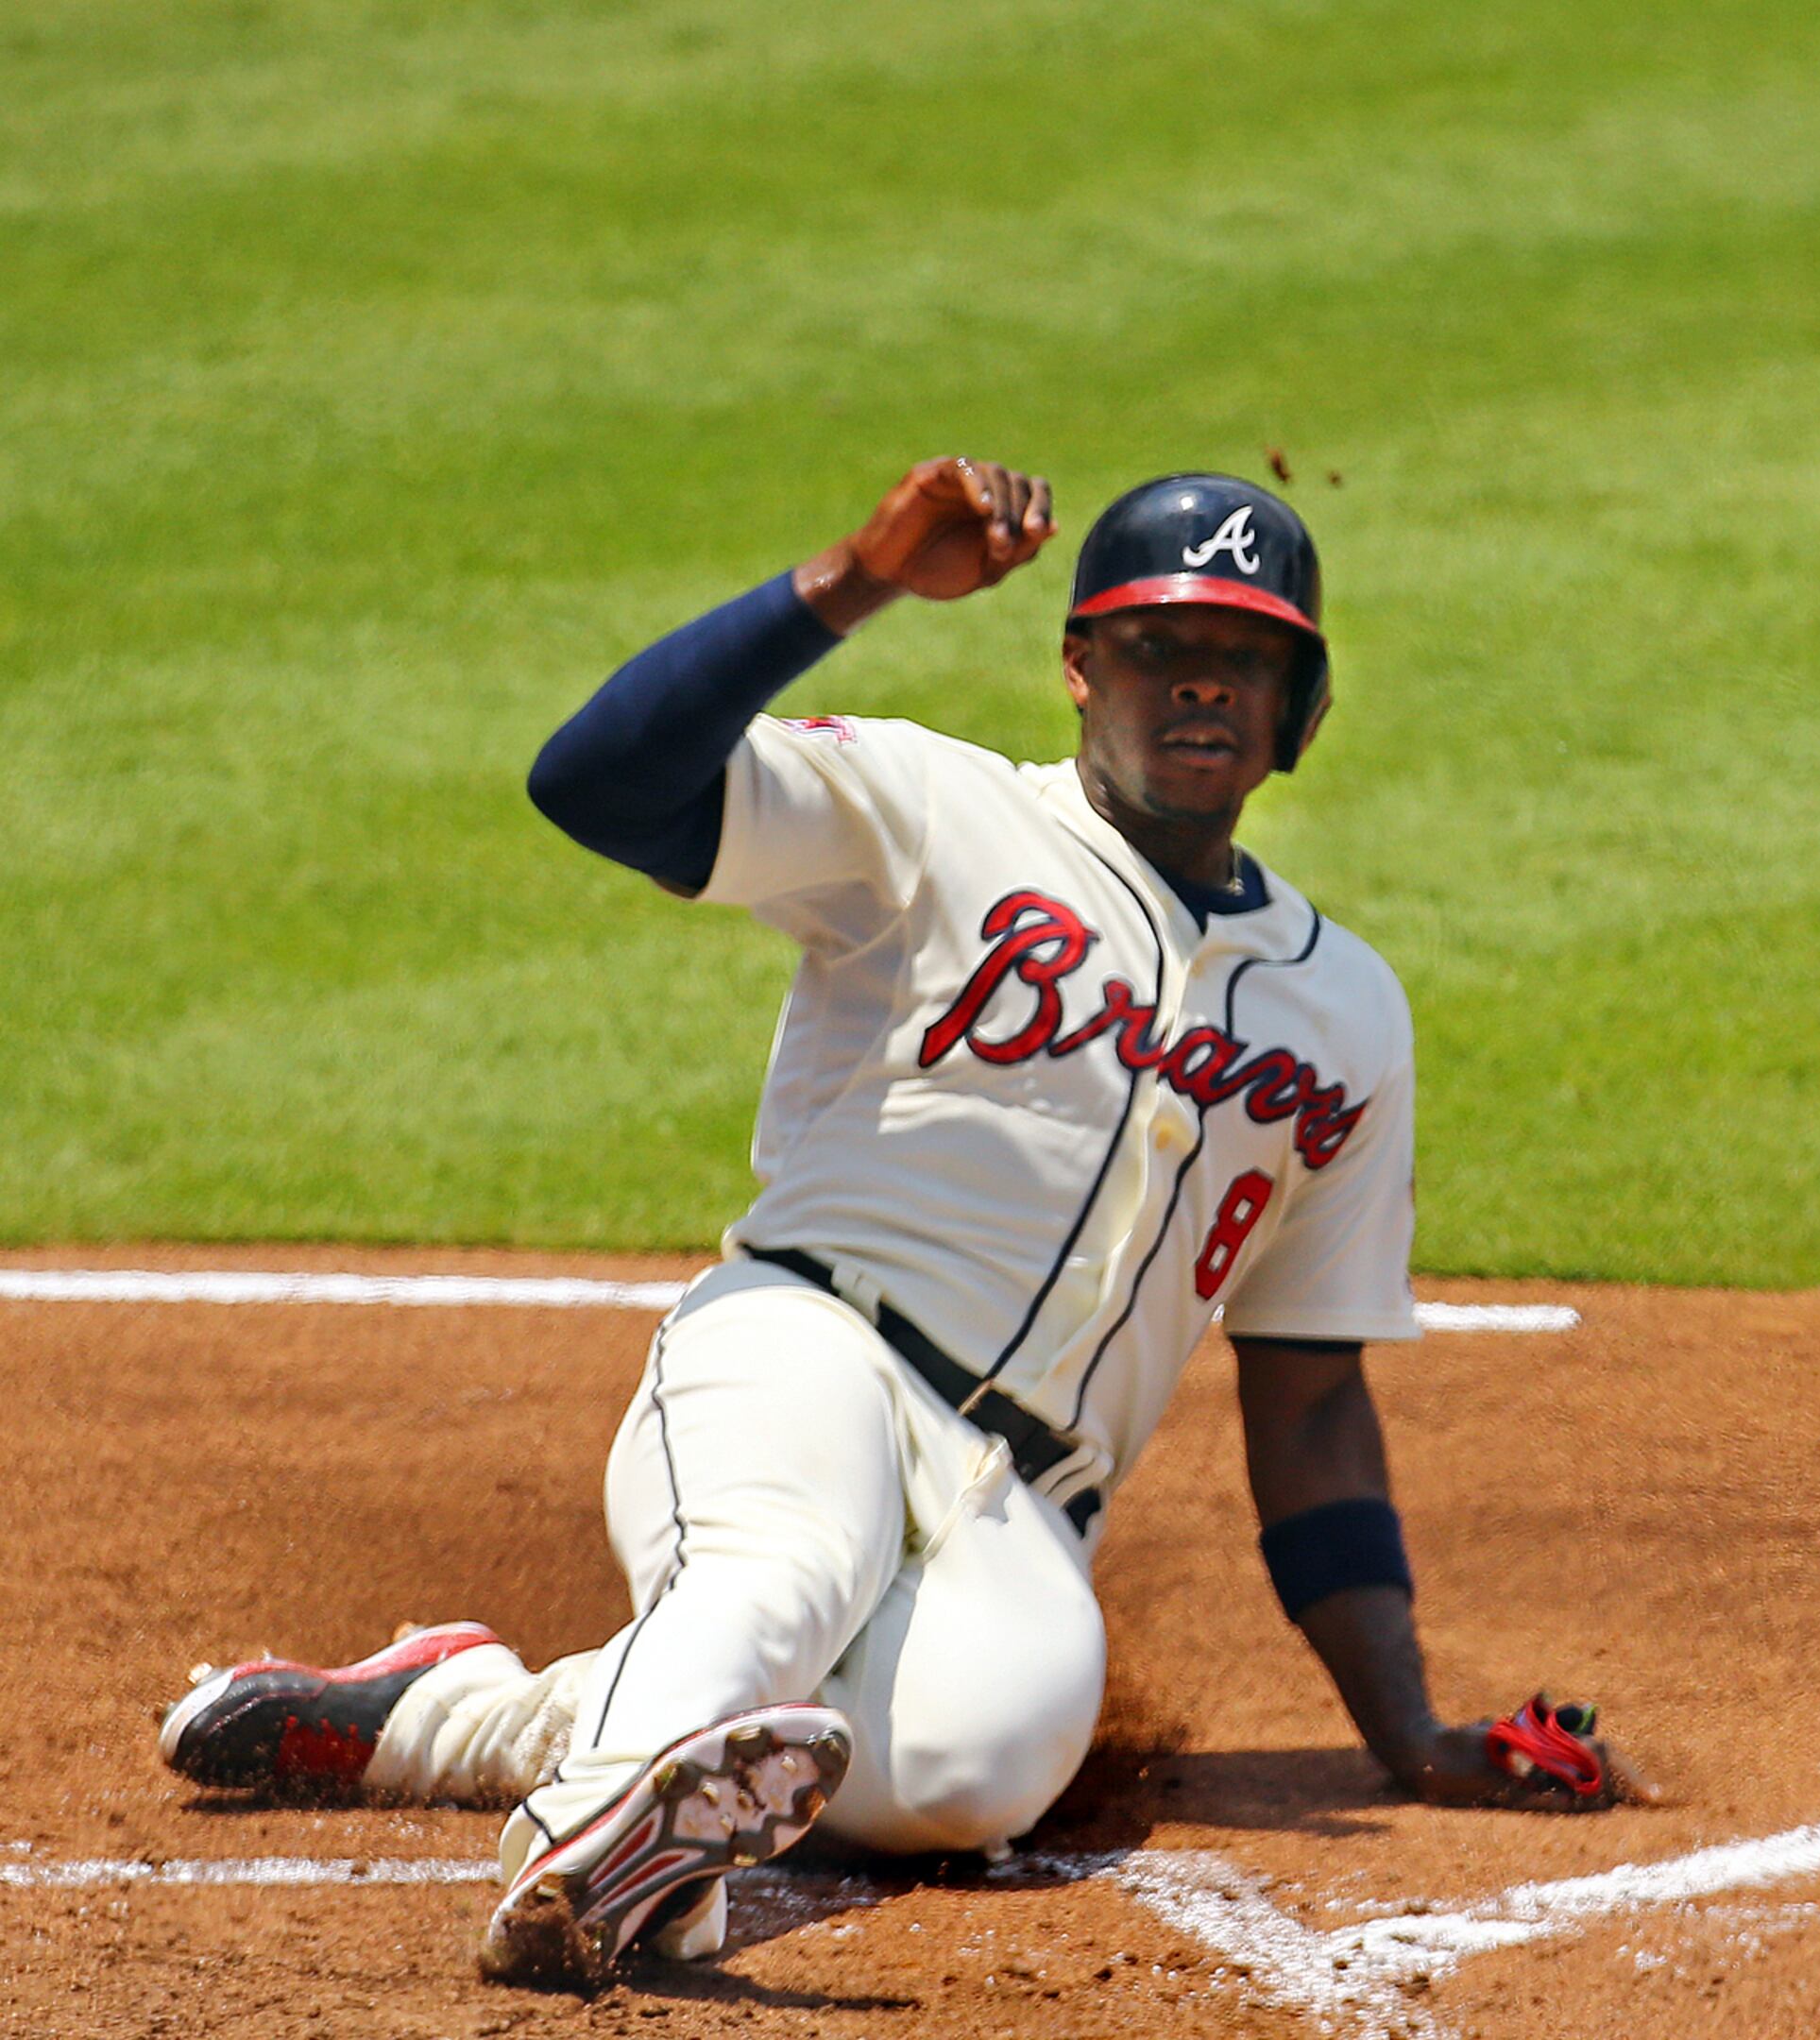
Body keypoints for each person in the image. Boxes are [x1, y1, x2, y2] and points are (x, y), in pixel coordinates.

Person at [159, 458, 1641, 1990]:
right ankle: (588, 1856)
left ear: (1306, 711)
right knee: (782, 1571)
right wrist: (852, 580)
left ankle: (466, 1710)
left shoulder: (1350, 1015)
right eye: (1157, 647)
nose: (1202, 685)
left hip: (1026, 1505)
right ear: (1077, 666)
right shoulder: (928, 810)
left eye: (1249, 658)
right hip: (812, 1347)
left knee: (969, 1772)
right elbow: (595, 784)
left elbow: (1312, 1390)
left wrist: (1408, 1735)